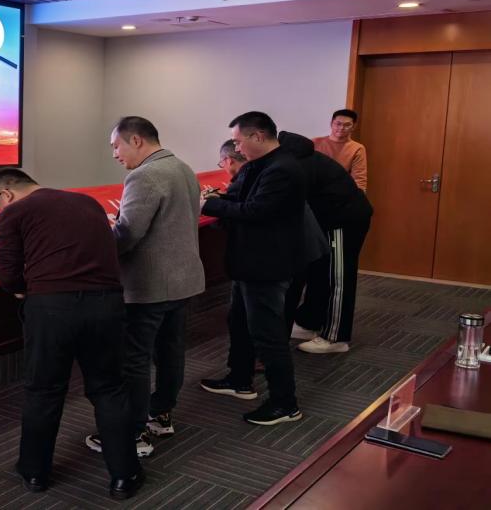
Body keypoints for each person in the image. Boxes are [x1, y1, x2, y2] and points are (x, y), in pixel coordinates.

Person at [0, 167, 144, 500]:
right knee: (109, 389)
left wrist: (21, 287)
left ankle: (35, 472)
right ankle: (124, 475)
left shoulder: (14, 212)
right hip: (106, 305)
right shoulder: (88, 203)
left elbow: (7, 273)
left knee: (44, 390)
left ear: (5, 194)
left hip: (51, 310)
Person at [85, 116, 204, 456]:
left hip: (150, 285)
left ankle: (134, 433)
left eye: (116, 146)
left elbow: (128, 234)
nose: (115, 154)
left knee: (134, 360)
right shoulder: (182, 168)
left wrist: (96, 244)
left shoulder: (144, 176)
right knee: (170, 351)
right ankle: (161, 415)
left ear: (136, 140)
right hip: (182, 279)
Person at [199, 112, 305, 426]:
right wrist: (217, 199)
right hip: (247, 263)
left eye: (238, 141)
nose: (236, 147)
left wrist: (208, 205)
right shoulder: (257, 165)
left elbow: (257, 211)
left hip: (266, 265)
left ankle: (285, 403)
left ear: (257, 136)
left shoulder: (282, 168)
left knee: (267, 334)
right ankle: (239, 379)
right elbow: (238, 197)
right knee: (239, 322)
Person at [279, 131, 373, 354]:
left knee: (338, 276)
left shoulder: (293, 163)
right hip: (326, 219)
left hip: (343, 220)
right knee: (319, 271)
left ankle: (336, 337)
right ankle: (309, 322)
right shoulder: (292, 157)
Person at [313, 109, 367, 191]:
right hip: (313, 189)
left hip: (339, 192)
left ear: (353, 126)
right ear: (331, 124)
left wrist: (359, 196)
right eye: (338, 124)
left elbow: (359, 179)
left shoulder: (357, 148)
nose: (341, 128)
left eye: (347, 125)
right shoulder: (315, 143)